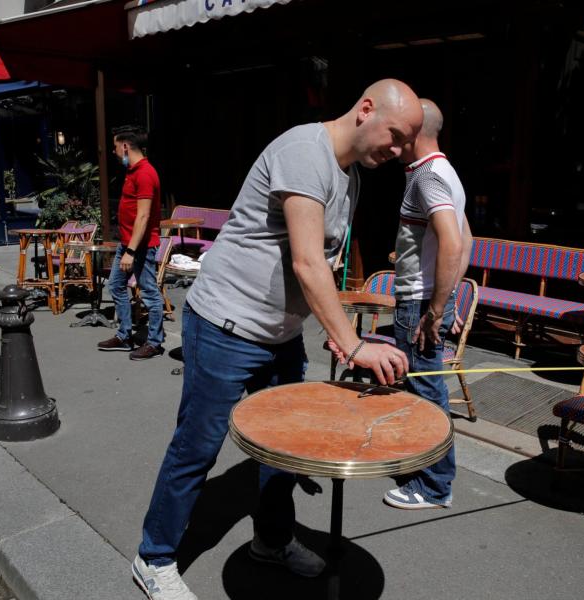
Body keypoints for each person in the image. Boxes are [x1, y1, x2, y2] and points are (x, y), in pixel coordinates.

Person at [131, 79, 422, 600]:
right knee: (197, 447)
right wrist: (353, 344)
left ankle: (271, 540)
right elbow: (307, 262)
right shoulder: (302, 151)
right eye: (396, 136)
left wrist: (337, 331)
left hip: (279, 335)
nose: (399, 152)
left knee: (286, 450)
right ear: (366, 109)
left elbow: (323, 266)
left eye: (406, 145)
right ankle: (153, 557)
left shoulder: (349, 176)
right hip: (226, 325)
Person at [384, 99, 473, 510]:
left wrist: (436, 310)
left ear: (415, 130)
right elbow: (466, 239)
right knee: (425, 388)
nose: (393, 138)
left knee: (425, 393)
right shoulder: (444, 172)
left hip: (419, 301)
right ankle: (428, 474)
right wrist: (449, 297)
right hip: (427, 297)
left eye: (399, 129)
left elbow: (455, 243)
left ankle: (434, 486)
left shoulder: (428, 176)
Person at [97, 126, 166, 361]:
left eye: (115, 147)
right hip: (126, 244)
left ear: (125, 146)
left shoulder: (145, 173)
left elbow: (144, 216)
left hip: (140, 247)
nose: (114, 152)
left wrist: (131, 250)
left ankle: (155, 342)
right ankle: (124, 335)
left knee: (149, 292)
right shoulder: (132, 170)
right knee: (116, 285)